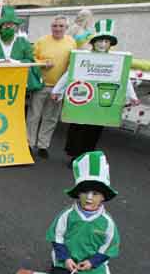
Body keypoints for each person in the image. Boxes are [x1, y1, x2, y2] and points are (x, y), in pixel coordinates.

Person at [52, 19, 140, 166]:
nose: (103, 44)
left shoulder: (116, 60)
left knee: (94, 130)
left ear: (110, 44)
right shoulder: (83, 57)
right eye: (100, 41)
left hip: (100, 104)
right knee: (78, 128)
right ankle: (75, 156)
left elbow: (124, 79)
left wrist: (133, 96)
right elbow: (69, 74)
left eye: (106, 41)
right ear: (94, 42)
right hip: (82, 100)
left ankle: (86, 157)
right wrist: (57, 91)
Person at [46, 151, 120, 274]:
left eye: (96, 193)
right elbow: (57, 238)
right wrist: (65, 259)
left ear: (104, 197)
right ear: (78, 193)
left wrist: (92, 262)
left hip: (93, 269)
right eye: (85, 192)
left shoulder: (107, 222)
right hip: (67, 263)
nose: (89, 198)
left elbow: (108, 247)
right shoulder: (67, 215)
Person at [28, 15, 76, 159]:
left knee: (51, 117)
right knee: (34, 115)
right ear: (51, 27)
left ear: (66, 28)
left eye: (61, 26)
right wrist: (42, 62)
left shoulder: (71, 42)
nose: (57, 29)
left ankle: (43, 145)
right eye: (55, 26)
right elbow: (31, 58)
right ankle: (29, 144)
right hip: (41, 84)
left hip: (58, 87)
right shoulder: (42, 41)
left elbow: (73, 63)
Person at [0, 6, 43, 93]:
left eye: (11, 24)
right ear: (0, 27)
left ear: (16, 27)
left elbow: (31, 61)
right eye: (5, 24)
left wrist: (13, 62)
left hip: (19, 87)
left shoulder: (24, 43)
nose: (8, 27)